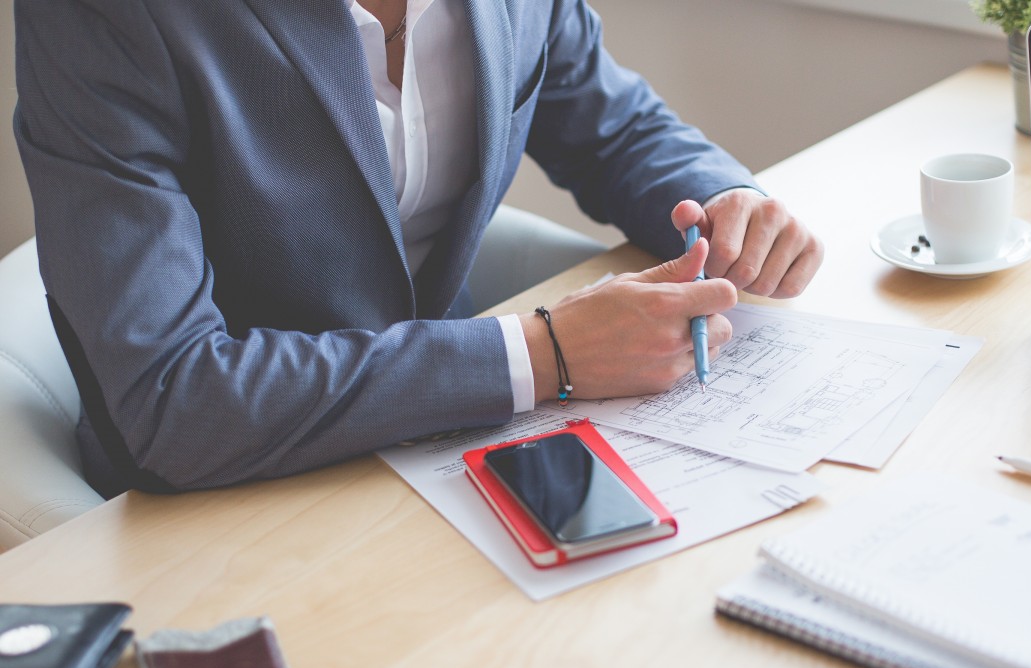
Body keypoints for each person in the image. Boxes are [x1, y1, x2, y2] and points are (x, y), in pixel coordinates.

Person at [13, 0, 823, 498]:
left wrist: (725, 200)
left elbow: (611, 125)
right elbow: (173, 399)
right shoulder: (103, 12)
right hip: (230, 497)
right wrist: (543, 353)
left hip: (458, 448)